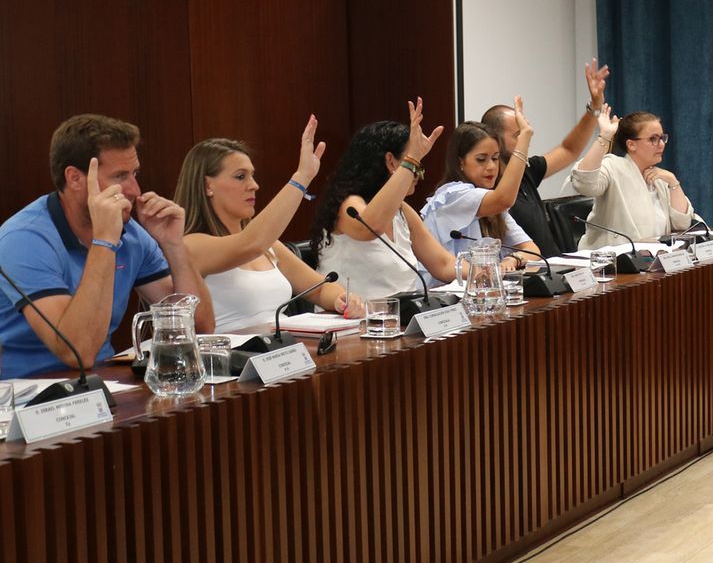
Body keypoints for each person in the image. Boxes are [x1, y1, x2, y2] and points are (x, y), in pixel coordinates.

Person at [0, 114, 214, 378]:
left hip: (101, 385)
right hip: (27, 395)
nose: (135, 190)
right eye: (120, 176)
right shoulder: (24, 240)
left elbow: (198, 328)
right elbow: (78, 351)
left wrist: (174, 246)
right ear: (75, 179)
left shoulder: (132, 234)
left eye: (134, 173)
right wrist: (104, 242)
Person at [175, 118, 360, 332]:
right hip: (232, 359)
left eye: (252, 176)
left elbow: (320, 289)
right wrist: (301, 177)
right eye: (240, 177)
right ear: (208, 186)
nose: (254, 185)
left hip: (278, 355)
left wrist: (342, 299)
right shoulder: (191, 245)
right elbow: (250, 244)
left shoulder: (270, 246)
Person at [306, 99, 459, 301]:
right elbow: (371, 227)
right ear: (390, 161)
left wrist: (489, 269)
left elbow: (444, 265)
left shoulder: (402, 210)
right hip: (354, 324)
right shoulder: (348, 204)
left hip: (402, 319)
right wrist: (412, 158)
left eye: (418, 166)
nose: (417, 174)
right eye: (414, 166)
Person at [481, 59, 610, 257]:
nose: (527, 137)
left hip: (555, 268)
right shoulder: (488, 184)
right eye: (519, 134)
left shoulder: (526, 170)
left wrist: (594, 107)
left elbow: (569, 150)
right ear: (494, 139)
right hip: (525, 276)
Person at [420, 105, 537, 284]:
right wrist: (524, 140)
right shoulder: (453, 195)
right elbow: (503, 199)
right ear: (460, 162)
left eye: (495, 158)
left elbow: (532, 250)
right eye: (481, 159)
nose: (491, 167)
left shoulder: (489, 200)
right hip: (442, 300)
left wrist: (512, 259)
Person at [569, 106, 696, 249]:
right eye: (653, 139)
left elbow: (682, 223)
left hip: (653, 262)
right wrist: (605, 135)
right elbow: (584, 183)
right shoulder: (613, 166)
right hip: (611, 263)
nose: (661, 144)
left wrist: (673, 181)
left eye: (662, 138)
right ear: (631, 144)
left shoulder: (660, 178)